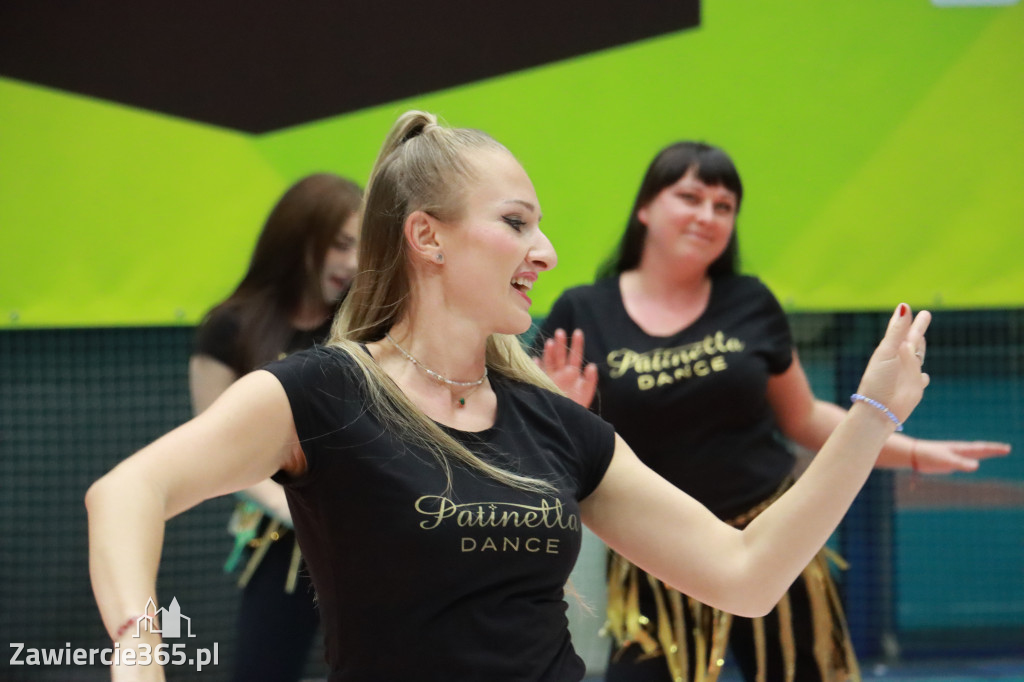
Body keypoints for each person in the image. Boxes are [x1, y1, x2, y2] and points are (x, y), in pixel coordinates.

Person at [87, 112, 933, 682]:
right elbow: (128, 490)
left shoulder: (556, 425)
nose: (549, 251)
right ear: (428, 238)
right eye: (517, 223)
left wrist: (871, 417)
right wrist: (138, 646)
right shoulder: (326, 391)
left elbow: (744, 576)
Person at [532, 141, 1012, 682]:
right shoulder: (582, 311)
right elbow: (550, 451)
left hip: (774, 542)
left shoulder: (750, 301)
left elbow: (804, 417)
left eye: (723, 206)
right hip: (657, 557)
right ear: (645, 208)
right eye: (690, 196)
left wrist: (914, 451)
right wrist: (561, 417)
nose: (707, 215)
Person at [189, 173, 362, 682]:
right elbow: (211, 451)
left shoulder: (362, 325)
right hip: (283, 543)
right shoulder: (230, 328)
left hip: (367, 533)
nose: (351, 262)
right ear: (298, 238)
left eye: (360, 247)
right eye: (339, 244)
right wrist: (298, 508)